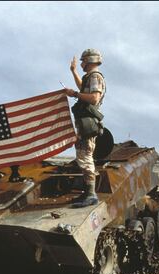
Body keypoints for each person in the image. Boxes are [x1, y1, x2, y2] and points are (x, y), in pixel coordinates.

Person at [64, 48, 106, 208]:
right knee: (83, 155)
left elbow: (94, 98)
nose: (81, 63)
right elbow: (84, 89)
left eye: (83, 61)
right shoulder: (90, 77)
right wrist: (74, 72)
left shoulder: (95, 76)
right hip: (85, 122)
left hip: (89, 122)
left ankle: (91, 195)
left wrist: (74, 94)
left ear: (89, 61)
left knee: (85, 156)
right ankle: (87, 193)